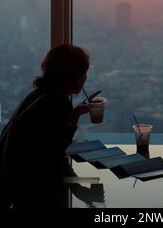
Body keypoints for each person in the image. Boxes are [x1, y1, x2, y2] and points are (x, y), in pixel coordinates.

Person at [0, 43, 99, 208]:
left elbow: (49, 144)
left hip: (14, 185)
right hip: (33, 192)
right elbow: (55, 152)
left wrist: (73, 116)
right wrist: (79, 189)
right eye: (83, 74)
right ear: (73, 77)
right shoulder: (59, 103)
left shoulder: (37, 96)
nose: (85, 78)